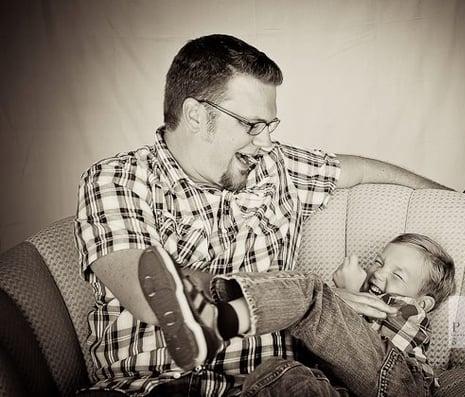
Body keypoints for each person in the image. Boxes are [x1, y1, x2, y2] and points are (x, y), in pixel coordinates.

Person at [75, 34, 445, 396]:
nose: (266, 141)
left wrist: (448, 195)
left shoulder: (275, 166)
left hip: (265, 385)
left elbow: (359, 170)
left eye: (271, 126)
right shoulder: (118, 179)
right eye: (252, 125)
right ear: (195, 115)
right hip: (145, 386)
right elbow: (147, 293)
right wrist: (307, 305)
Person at [138, 233, 456, 396]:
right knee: (277, 375)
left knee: (311, 291)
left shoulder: (410, 310)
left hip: (401, 385)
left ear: (425, 302)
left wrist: (347, 294)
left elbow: (366, 343)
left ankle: (215, 319)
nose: (378, 274)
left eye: (397, 275)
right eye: (379, 262)